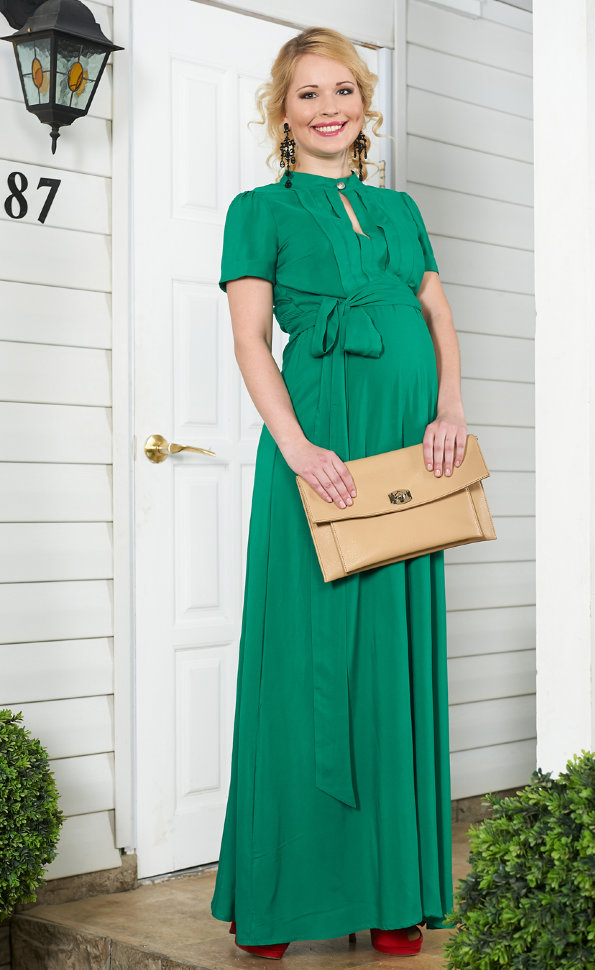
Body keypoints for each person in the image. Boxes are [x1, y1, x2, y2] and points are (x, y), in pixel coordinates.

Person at [210, 25, 467, 960]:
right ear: (282, 113)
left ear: (365, 104)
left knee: (393, 658)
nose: (329, 108)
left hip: (412, 452)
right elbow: (249, 339)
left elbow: (435, 314)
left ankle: (394, 890)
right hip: (320, 448)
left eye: (344, 90)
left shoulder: (399, 209)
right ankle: (281, 899)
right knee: (304, 661)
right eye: (308, 94)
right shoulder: (257, 210)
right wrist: (296, 446)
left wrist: (449, 411)